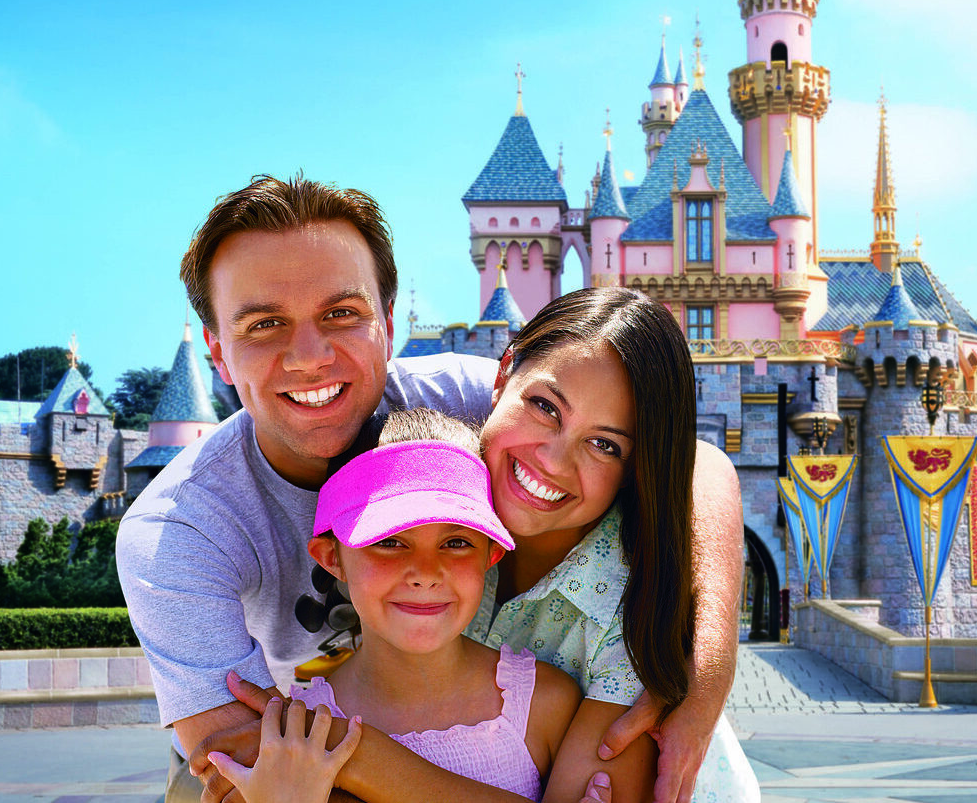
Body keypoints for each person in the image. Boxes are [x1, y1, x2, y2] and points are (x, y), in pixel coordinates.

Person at [118, 175, 744, 803]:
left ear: (387, 324)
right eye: (263, 324)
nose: (309, 356)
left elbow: (693, 463)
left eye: (341, 313)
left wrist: (706, 668)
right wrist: (340, 752)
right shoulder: (176, 533)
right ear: (218, 353)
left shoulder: (460, 409)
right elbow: (249, 770)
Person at [230, 288, 759, 802]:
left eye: (604, 444)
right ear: (502, 374)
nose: (553, 460)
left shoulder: (632, 609)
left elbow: (702, 462)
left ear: (635, 467)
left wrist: (353, 754)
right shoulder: (437, 474)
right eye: (545, 407)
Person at [214, 408, 583, 800]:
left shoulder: (545, 703)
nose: (425, 573)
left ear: (490, 555)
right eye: (389, 542)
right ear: (332, 557)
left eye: (456, 543)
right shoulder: (295, 741)